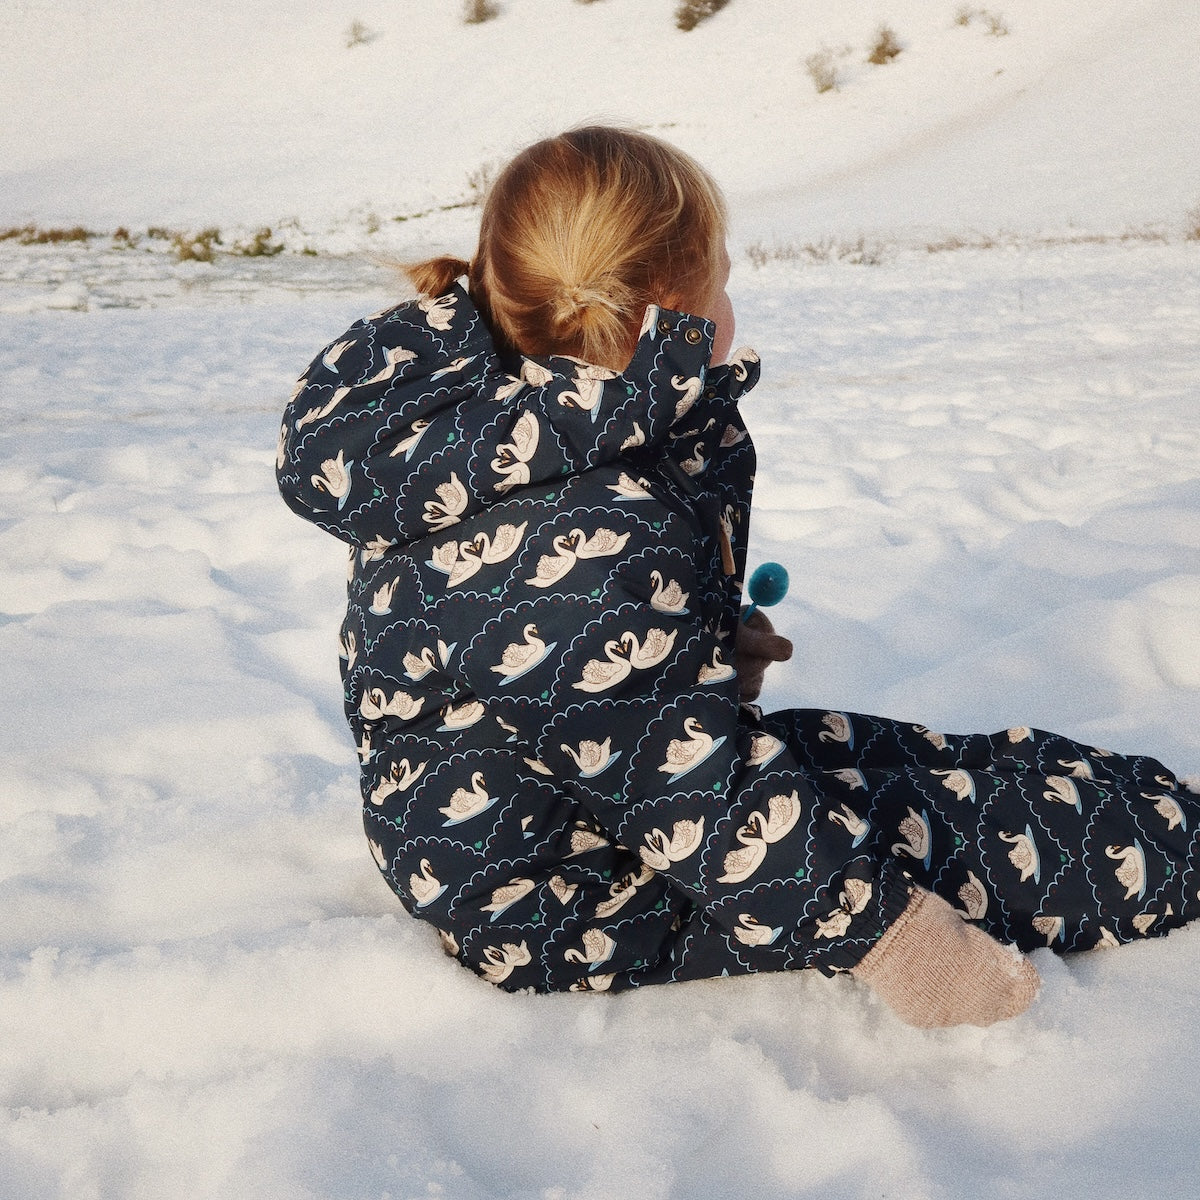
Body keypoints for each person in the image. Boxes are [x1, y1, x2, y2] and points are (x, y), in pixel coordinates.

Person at [277, 127, 1198, 1026]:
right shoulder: (577, 527)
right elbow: (698, 800)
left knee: (946, 768)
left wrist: (686, 652)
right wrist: (896, 941)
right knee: (1027, 839)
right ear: (660, 315)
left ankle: (1137, 802)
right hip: (572, 900)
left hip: (562, 823)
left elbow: (570, 690)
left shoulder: (500, 434)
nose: (733, 298)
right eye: (722, 277)